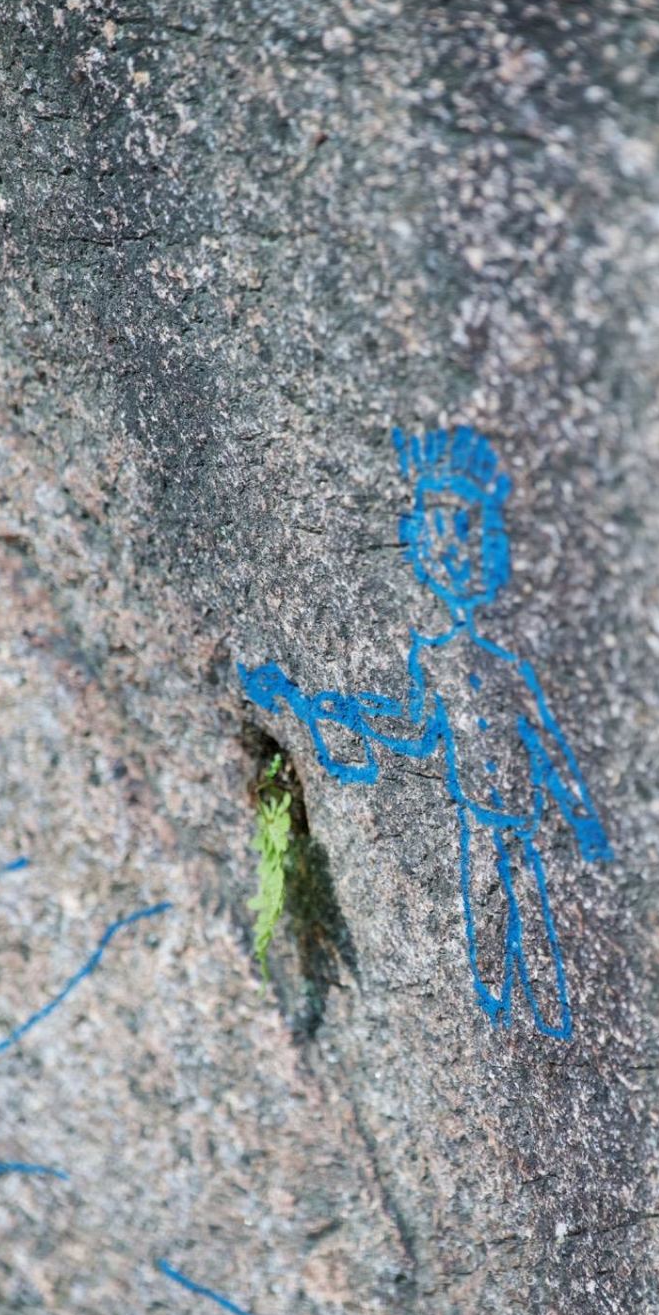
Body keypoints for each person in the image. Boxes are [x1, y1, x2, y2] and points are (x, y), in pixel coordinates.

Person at [238, 426, 612, 1040]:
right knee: (488, 936)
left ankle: (545, 1018)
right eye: (436, 536)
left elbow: (544, 738)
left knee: (536, 926)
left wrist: (582, 820)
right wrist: (340, 712)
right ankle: (510, 1020)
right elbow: (417, 732)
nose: (452, 553)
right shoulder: (433, 656)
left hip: (518, 818)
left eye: (466, 533)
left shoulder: (503, 660)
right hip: (474, 820)